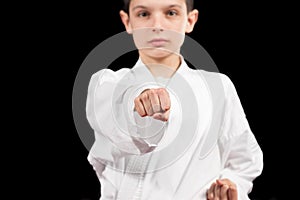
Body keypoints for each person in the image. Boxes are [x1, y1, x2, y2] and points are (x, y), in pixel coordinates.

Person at [86, 0, 263, 199]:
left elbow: (244, 160)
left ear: (190, 20)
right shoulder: (107, 85)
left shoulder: (218, 87)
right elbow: (122, 130)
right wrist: (141, 108)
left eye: (170, 12)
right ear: (127, 21)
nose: (157, 25)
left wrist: (232, 185)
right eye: (144, 14)